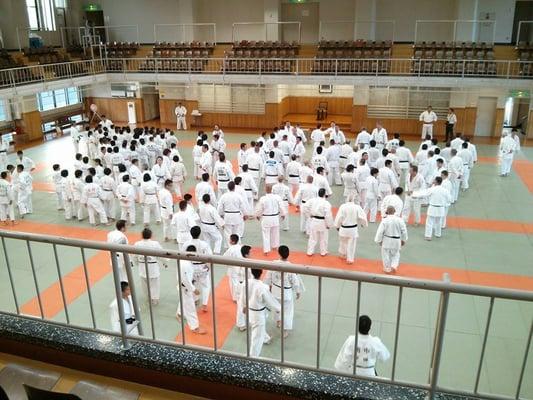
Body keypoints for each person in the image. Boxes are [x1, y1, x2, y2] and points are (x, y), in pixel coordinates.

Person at [264, 246, 304, 338]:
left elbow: (268, 277)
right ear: (288, 254)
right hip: (286, 293)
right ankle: (285, 330)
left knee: (277, 308)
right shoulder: (290, 266)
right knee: (287, 311)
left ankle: (278, 322)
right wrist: (298, 291)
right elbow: (295, 281)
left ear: (279, 253)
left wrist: (268, 286)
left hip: (275, 291)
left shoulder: (273, 264)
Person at [241, 268, 281, 358]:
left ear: (251, 272)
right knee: (256, 337)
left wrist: (244, 306)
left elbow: (243, 296)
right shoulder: (263, 287)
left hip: (251, 310)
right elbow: (270, 300)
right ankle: (253, 356)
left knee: (258, 330)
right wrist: (278, 308)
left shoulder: (246, 282)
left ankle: (266, 339)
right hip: (258, 313)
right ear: (261, 273)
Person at [176, 245, 206, 335]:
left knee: (185, 301)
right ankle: (194, 327)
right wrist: (193, 289)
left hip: (184, 286)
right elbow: (185, 279)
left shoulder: (184, 261)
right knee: (190, 307)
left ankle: (179, 313)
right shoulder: (186, 264)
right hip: (185, 287)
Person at [134, 228, 168, 306]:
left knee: (144, 283)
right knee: (154, 284)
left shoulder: (137, 244)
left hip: (142, 266)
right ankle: (154, 299)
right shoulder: (155, 244)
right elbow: (161, 254)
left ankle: (148, 297)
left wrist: (137, 263)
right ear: (151, 235)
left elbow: (134, 255)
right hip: (152, 267)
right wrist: (165, 262)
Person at [412, 176, 452, 241]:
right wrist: (444, 202)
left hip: (433, 207)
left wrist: (414, 194)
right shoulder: (445, 190)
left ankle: (428, 236)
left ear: (436, 181)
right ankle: (438, 234)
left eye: (434, 180)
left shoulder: (432, 189)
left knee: (429, 222)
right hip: (441, 208)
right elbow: (450, 199)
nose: (433, 181)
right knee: (439, 222)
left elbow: (423, 193)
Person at [183, 226, 213, 312]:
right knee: (206, 286)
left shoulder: (186, 244)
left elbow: (182, 255)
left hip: (191, 267)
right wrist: (208, 265)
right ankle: (204, 304)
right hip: (202, 267)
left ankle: (195, 300)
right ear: (199, 234)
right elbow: (210, 256)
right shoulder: (204, 244)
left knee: (193, 284)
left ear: (190, 233)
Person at [374, 206, 408, 274]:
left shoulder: (385, 220)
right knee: (396, 254)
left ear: (387, 212)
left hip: (387, 239)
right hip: (397, 240)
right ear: (394, 211)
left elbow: (380, 231)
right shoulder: (400, 220)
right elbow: (404, 231)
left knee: (385, 254)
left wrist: (379, 240)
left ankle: (387, 268)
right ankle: (394, 266)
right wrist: (404, 240)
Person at [334, 198, 368, 264]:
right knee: (351, 244)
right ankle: (350, 259)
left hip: (343, 228)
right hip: (352, 230)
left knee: (343, 242)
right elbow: (362, 217)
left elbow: (339, 217)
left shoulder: (343, 206)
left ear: (346, 200)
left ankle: (343, 254)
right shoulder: (357, 207)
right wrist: (363, 224)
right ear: (354, 200)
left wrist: (337, 226)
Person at [256, 184, 286, 255]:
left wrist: (258, 215)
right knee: (275, 233)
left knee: (266, 234)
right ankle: (275, 246)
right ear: (272, 189)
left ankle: (266, 250)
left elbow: (260, 209)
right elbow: (281, 206)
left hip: (266, 218)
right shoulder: (277, 197)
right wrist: (283, 214)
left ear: (265, 190)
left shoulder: (263, 198)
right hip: (275, 217)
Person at [304, 188, 333, 256]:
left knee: (313, 237)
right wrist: (329, 224)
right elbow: (328, 215)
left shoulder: (312, 200)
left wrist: (309, 215)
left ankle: (310, 251)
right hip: (322, 222)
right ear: (324, 195)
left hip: (314, 220)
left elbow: (305, 207)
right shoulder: (326, 203)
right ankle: (323, 252)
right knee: (323, 238)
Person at [217, 181, 247, 248]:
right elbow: (243, 206)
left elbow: (220, 207)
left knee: (227, 233)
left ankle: (229, 247)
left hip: (227, 216)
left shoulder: (224, 196)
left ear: (228, 187)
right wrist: (245, 214)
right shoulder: (238, 196)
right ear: (234, 188)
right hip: (236, 216)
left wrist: (220, 214)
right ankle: (238, 246)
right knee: (237, 232)